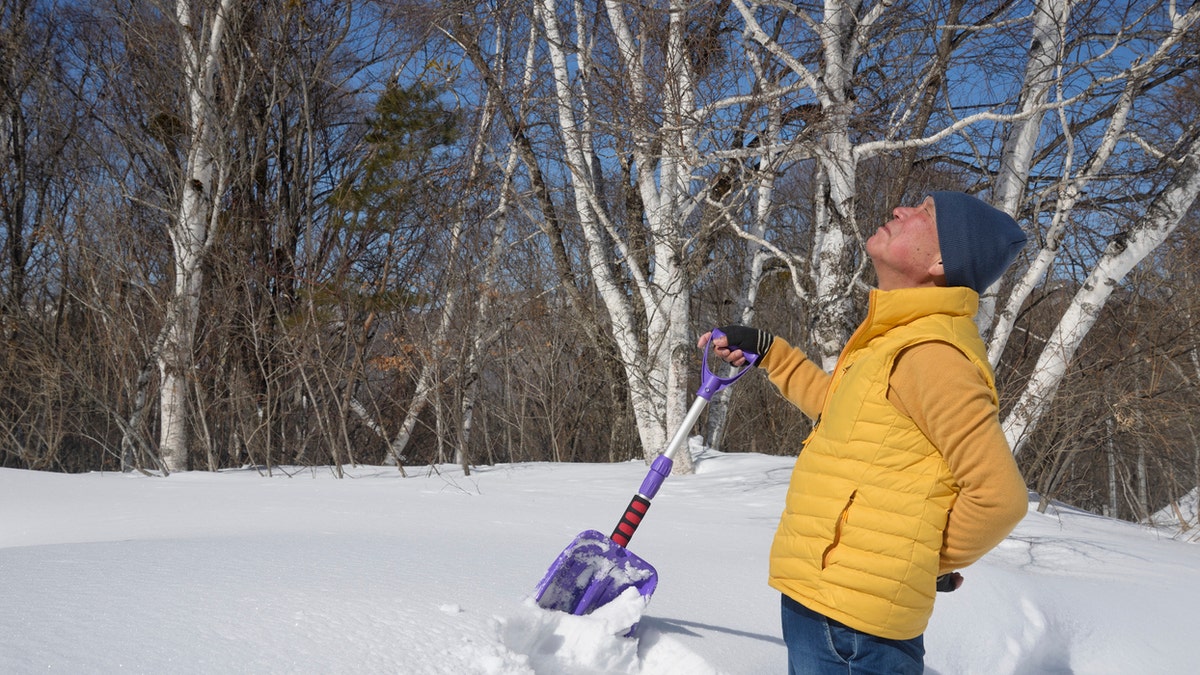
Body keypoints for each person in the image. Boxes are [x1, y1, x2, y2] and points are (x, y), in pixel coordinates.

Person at [701, 191, 1030, 674]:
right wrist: (772, 352)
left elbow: (1000, 498)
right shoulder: (895, 339)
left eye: (926, 213)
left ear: (942, 260)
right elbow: (840, 414)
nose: (900, 210)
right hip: (820, 601)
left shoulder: (933, 356)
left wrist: (916, 562)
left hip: (856, 625)